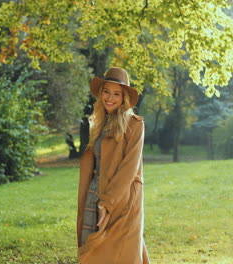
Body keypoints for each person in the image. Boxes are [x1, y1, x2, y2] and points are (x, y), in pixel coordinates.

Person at [77, 67, 150, 264]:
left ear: (124, 97)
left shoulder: (135, 124)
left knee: (121, 252)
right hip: (95, 192)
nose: (110, 98)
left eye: (116, 93)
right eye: (106, 92)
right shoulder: (100, 123)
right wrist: (98, 199)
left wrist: (107, 203)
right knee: (91, 246)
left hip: (121, 199)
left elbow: (129, 167)